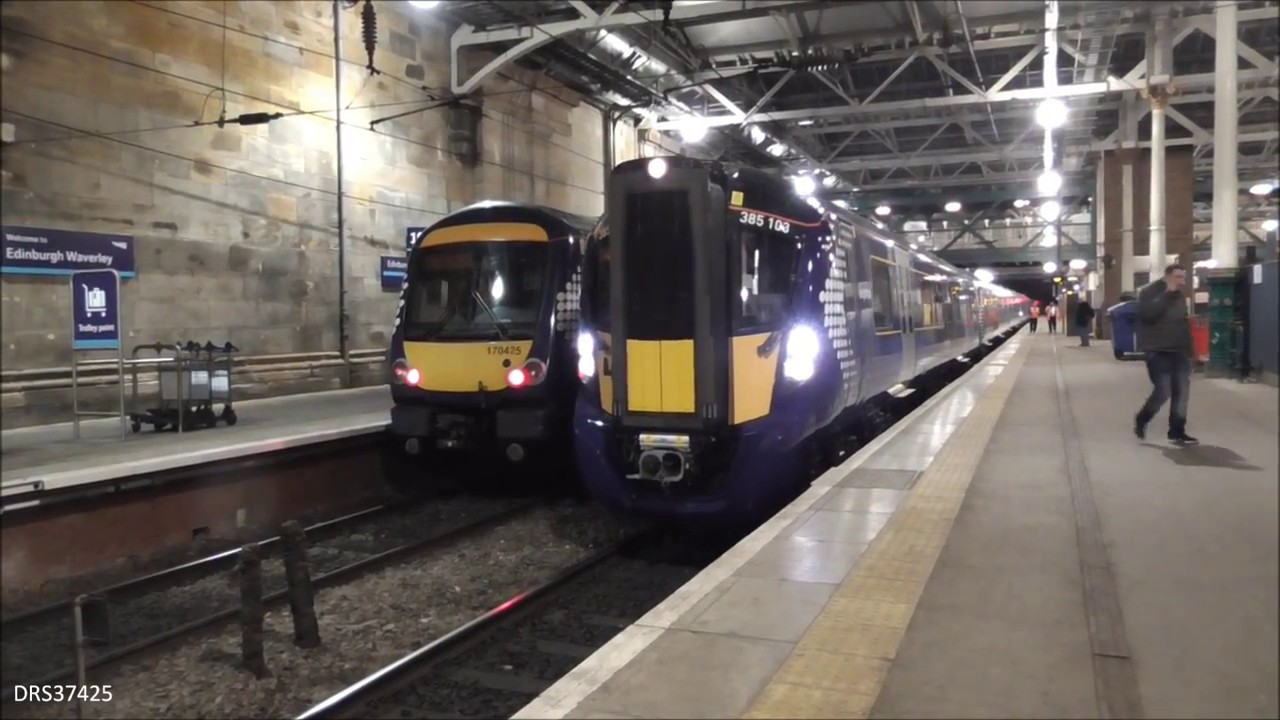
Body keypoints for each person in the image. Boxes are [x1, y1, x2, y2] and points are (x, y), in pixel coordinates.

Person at [1134, 263, 1198, 445]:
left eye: (1183, 278)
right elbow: (1147, 315)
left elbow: (1183, 324)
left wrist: (1191, 351)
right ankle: (1142, 419)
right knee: (1164, 390)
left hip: (1178, 350)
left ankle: (1177, 430)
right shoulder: (1149, 292)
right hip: (1157, 350)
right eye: (1178, 277)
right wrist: (1167, 294)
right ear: (1168, 277)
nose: (1182, 282)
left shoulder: (1179, 295)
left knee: (1182, 391)